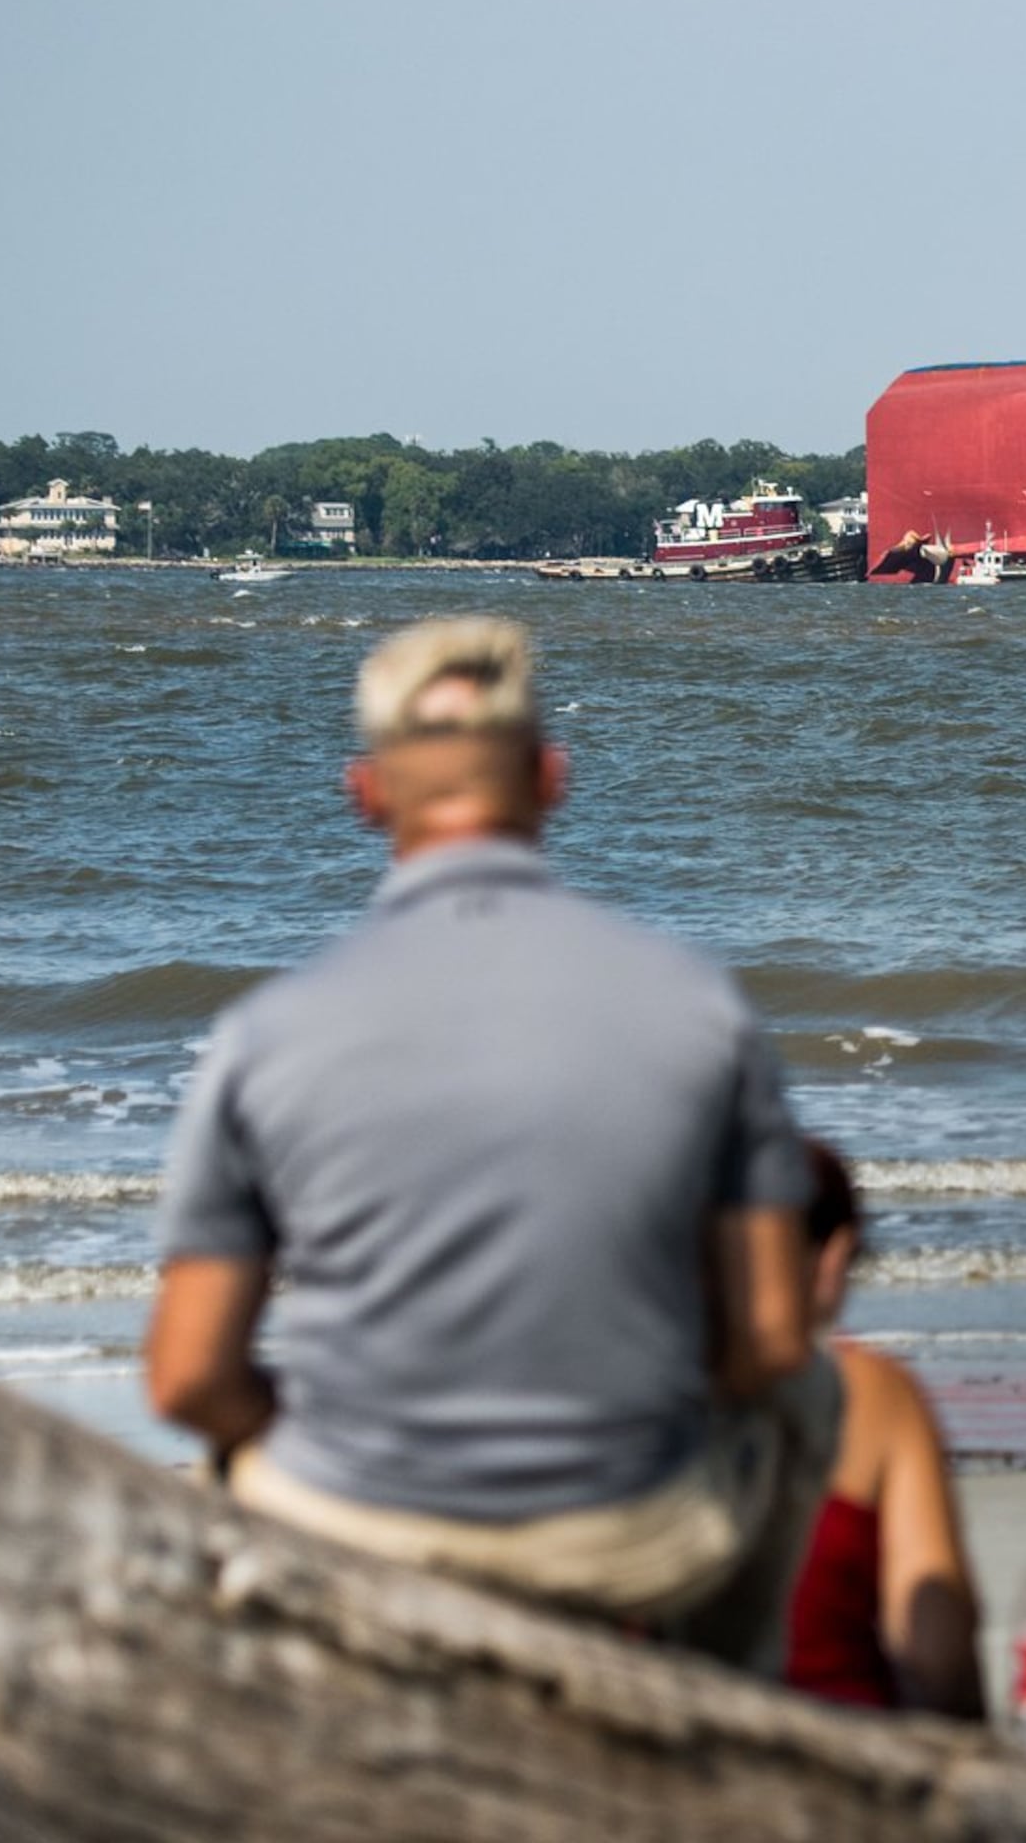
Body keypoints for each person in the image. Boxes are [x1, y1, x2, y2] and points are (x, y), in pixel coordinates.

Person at [144, 614, 830, 1667]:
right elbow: (773, 1340)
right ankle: (731, 1702)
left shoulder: (266, 1033)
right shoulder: (700, 1008)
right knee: (815, 1394)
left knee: (220, 1481)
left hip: (354, 1519)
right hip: (626, 1533)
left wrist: (323, 1425)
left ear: (364, 795)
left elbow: (189, 1379)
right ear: (552, 777)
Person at [780, 1140, 986, 1717]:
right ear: (835, 1255)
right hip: (842, 1751)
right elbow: (939, 1654)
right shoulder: (873, 1391)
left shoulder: (635, 1380)